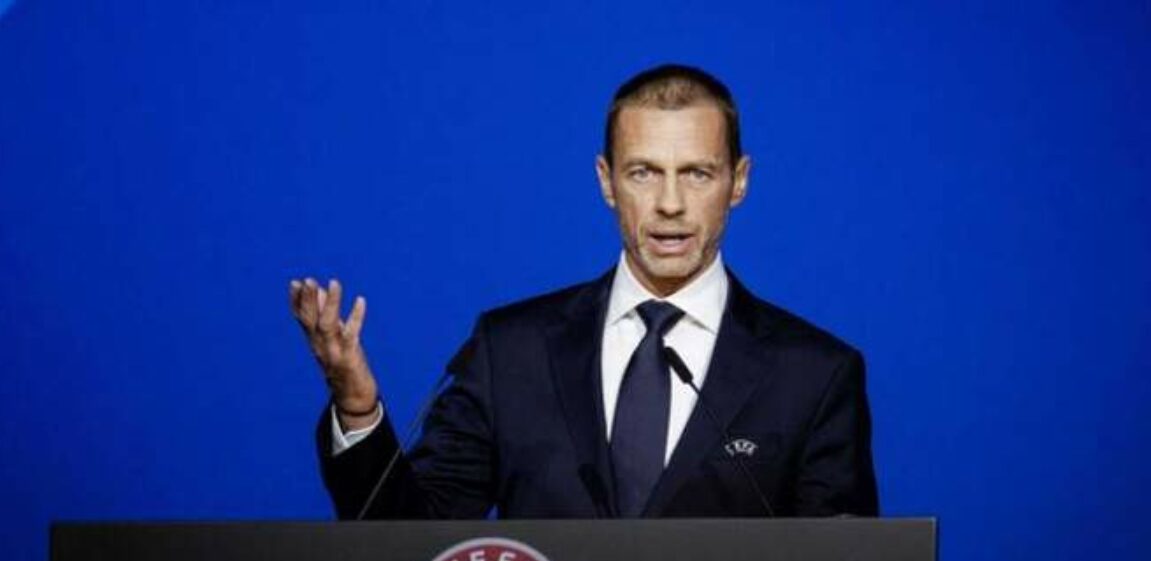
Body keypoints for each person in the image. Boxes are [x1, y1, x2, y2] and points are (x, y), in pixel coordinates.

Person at [289, 64, 878, 519]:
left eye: (697, 173)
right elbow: (409, 545)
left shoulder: (816, 375)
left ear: (738, 182)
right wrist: (358, 409)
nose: (670, 204)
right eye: (644, 172)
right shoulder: (509, 352)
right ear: (606, 182)